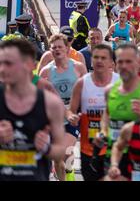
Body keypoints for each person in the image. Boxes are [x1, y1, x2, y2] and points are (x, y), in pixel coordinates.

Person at [0, 39, 65, 181]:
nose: (2, 69)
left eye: (9, 63)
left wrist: (47, 148)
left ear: (30, 65)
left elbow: (61, 151)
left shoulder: (50, 102)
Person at [100, 44, 140, 181]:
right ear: (115, 64)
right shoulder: (110, 91)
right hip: (115, 155)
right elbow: (106, 116)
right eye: (120, 61)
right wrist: (103, 132)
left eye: (129, 61)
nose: (124, 66)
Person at [67, 44, 119, 181]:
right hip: (88, 148)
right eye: (96, 57)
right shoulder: (82, 83)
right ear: (91, 60)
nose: (99, 61)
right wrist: (72, 117)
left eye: (103, 58)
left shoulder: (120, 82)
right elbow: (71, 111)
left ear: (111, 62)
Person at [39, 34, 87, 181]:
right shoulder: (46, 72)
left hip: (73, 117)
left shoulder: (78, 67)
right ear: (50, 50)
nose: (57, 49)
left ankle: (69, 168)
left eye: (60, 46)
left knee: (65, 153)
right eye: (54, 47)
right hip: (54, 119)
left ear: (67, 48)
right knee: (57, 160)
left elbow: (86, 89)